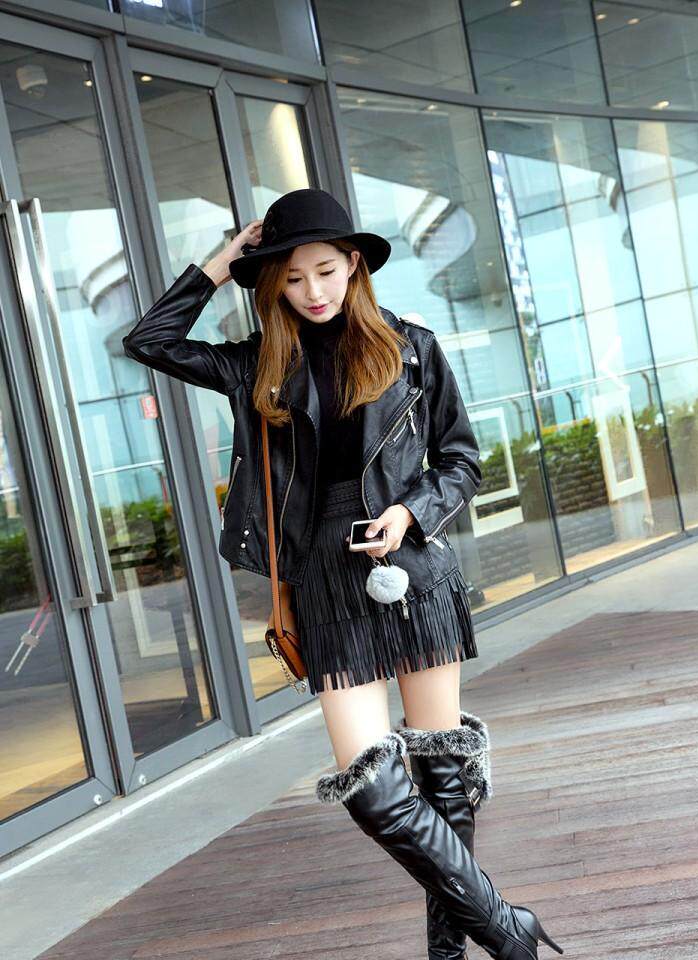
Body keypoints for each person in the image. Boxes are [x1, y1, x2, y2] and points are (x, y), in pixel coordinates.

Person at [121, 188, 563, 959]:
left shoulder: (412, 348)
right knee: (371, 789)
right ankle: (506, 927)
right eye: (292, 279)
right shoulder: (257, 364)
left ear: (353, 264)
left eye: (325, 271)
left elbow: (462, 459)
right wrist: (220, 265)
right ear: (273, 284)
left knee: (442, 775)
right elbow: (150, 339)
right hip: (323, 577)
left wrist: (412, 512)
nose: (313, 291)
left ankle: (452, 952)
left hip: (413, 568)